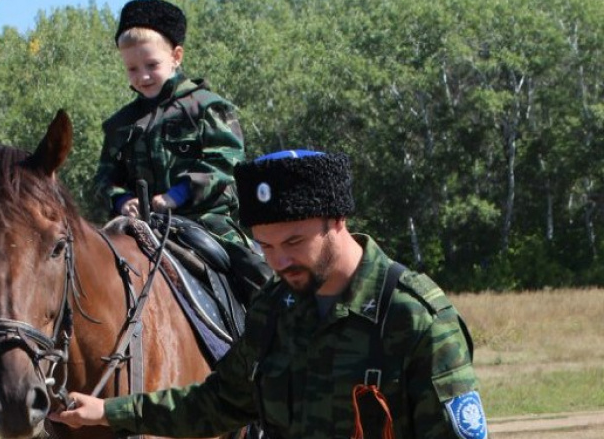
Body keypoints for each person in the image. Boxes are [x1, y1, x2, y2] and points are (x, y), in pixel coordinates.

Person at [50, 150, 489, 439]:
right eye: (266, 247)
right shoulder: (274, 310)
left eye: (295, 243)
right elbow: (216, 403)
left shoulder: (412, 319)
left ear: (337, 221)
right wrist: (108, 411)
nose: (278, 262)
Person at [94, 0, 271, 303]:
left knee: (258, 274)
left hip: (205, 220)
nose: (142, 76)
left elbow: (225, 162)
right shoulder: (120, 124)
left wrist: (177, 195)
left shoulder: (206, 107)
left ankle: (276, 340)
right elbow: (103, 178)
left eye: (152, 65)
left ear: (176, 56)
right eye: (132, 68)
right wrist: (122, 200)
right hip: (140, 224)